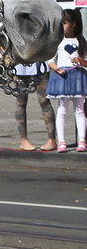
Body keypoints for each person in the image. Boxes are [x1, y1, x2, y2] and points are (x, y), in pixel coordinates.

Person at [44, 8, 87, 153]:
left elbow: (86, 61)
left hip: (77, 76)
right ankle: (61, 141)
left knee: (80, 110)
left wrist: (80, 60)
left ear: (74, 24)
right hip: (61, 76)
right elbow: (50, 60)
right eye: (62, 23)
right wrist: (56, 68)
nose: (63, 26)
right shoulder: (58, 41)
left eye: (65, 23)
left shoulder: (81, 41)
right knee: (62, 109)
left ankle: (82, 141)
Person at [13, 63, 56, 152]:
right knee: (21, 101)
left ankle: (51, 139)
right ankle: (24, 140)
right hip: (21, 62)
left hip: (41, 61)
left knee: (44, 101)